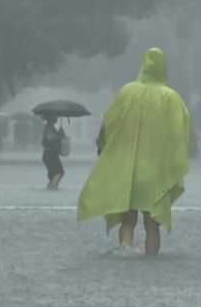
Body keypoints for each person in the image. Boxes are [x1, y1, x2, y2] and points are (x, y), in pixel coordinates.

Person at [77, 48, 190, 256]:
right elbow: (179, 133)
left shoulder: (128, 92)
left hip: (128, 172)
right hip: (155, 175)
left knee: (128, 220)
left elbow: (109, 122)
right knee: (152, 225)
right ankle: (151, 257)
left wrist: (104, 147)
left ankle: (125, 252)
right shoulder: (171, 98)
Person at [42, 115, 64, 189]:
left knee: (54, 174)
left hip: (52, 154)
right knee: (59, 172)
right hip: (49, 154)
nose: (56, 118)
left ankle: (51, 187)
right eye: (55, 116)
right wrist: (59, 135)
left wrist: (60, 134)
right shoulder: (48, 127)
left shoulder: (51, 127)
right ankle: (53, 187)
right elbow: (50, 137)